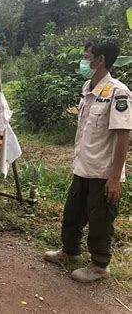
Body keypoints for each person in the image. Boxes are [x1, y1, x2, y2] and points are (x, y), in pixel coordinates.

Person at [44, 38, 130, 283]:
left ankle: (99, 266)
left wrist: (114, 178)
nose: (83, 60)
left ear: (100, 60)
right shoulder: (88, 87)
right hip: (83, 167)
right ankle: (69, 252)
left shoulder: (117, 92)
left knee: (100, 220)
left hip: (103, 172)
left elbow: (123, 137)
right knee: (72, 213)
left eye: (86, 56)